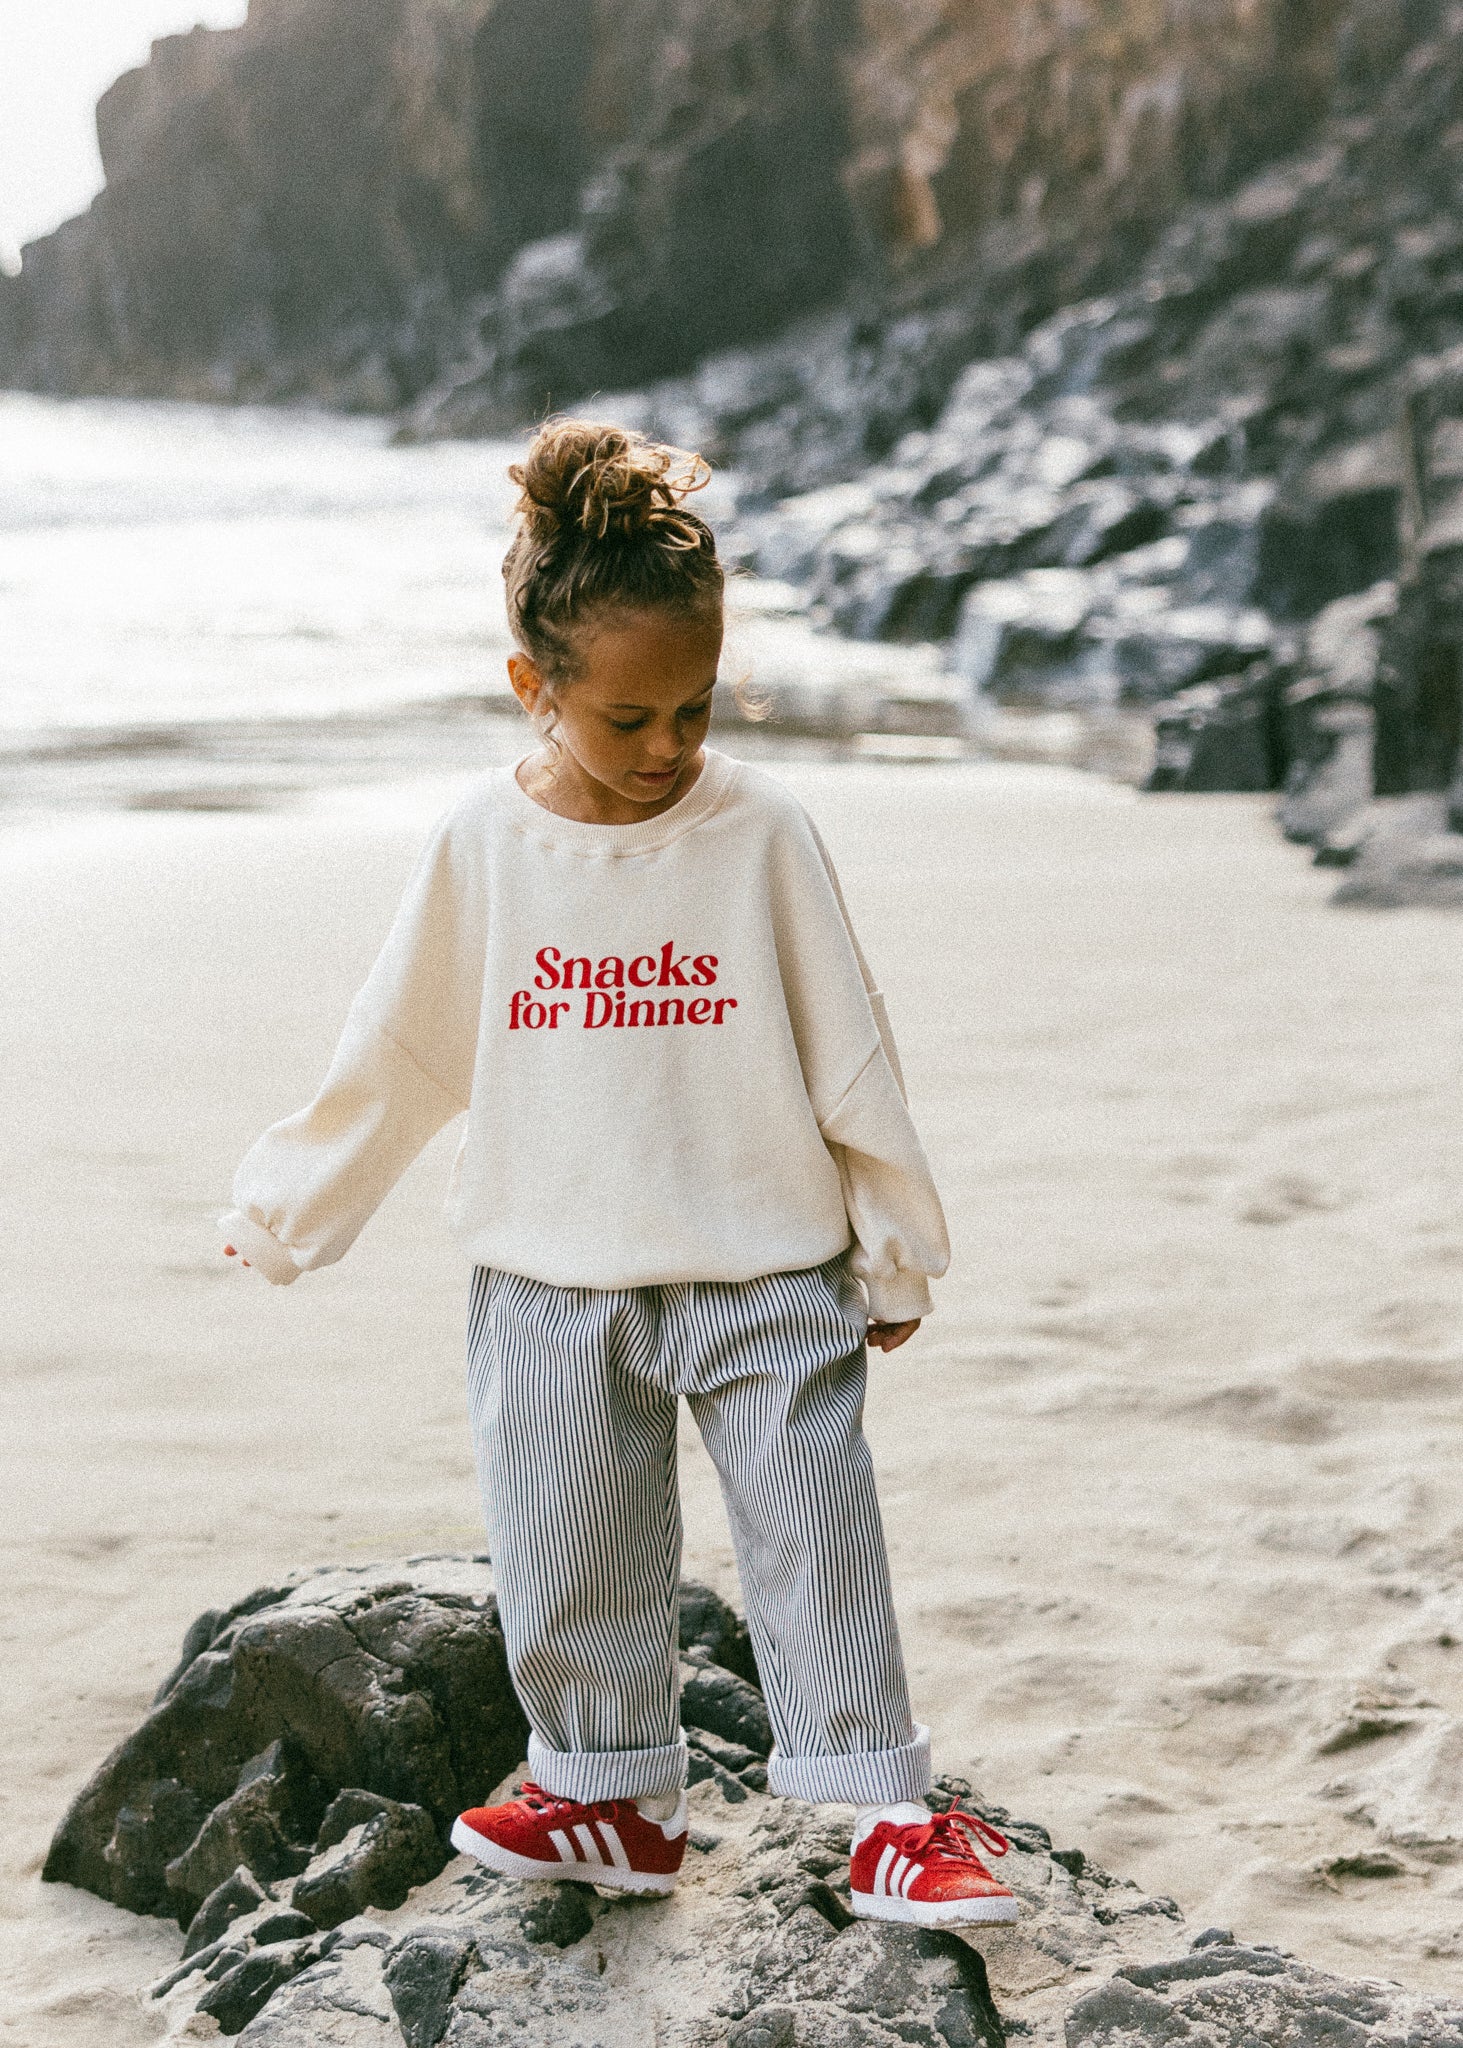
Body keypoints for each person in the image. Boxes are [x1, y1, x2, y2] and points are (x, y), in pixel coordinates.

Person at [220, 418, 1016, 1928]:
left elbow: (849, 1048)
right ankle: (609, 1797)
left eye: (695, 709)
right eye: (629, 716)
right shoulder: (484, 845)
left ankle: (890, 1812)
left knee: (818, 1540)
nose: (667, 747)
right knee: (567, 1546)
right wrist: (290, 1207)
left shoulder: (761, 833)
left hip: (765, 1268)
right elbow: (402, 1049)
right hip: (550, 1277)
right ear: (535, 685)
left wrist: (893, 1243)